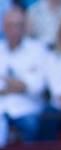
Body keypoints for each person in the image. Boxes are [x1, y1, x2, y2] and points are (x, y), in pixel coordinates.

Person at [0, 6, 48, 142]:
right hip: (1, 108)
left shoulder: (38, 50)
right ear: (3, 27)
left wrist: (14, 86)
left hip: (28, 108)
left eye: (18, 25)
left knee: (32, 125)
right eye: (10, 25)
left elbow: (39, 86)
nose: (14, 30)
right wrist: (20, 85)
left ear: (25, 27)